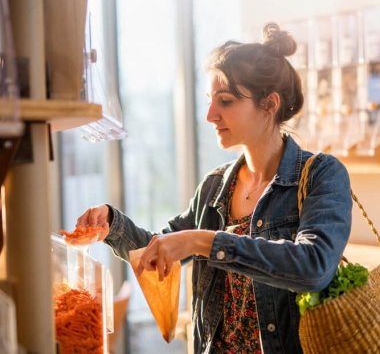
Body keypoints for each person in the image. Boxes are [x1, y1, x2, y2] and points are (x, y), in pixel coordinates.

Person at [74, 23, 352, 354]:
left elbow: (313, 267)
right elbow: (159, 250)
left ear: (269, 104)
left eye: (226, 101)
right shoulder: (215, 186)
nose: (209, 115)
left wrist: (204, 241)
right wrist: (111, 224)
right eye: (210, 100)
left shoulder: (322, 174)